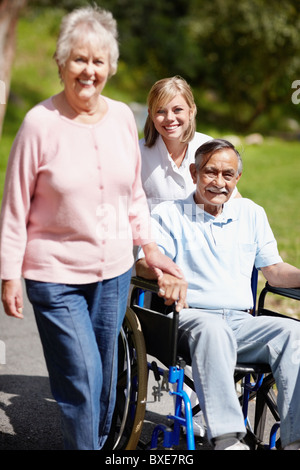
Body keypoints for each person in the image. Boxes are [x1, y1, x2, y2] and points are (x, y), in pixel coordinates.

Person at [0, 6, 185, 450]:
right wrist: (9, 273)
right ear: (62, 63)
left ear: (110, 67)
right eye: (79, 59)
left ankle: (98, 444)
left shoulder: (122, 117)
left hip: (115, 272)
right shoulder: (39, 124)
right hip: (55, 275)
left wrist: (150, 248)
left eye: (98, 61)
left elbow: (133, 195)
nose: (88, 70)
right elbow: (14, 207)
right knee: (81, 377)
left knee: (105, 379)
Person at [136, 138, 300, 450]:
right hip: (188, 319)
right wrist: (162, 273)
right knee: (212, 329)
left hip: (240, 323)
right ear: (194, 171)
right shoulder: (169, 214)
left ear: (237, 178)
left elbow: (275, 271)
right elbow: (145, 264)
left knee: (295, 333)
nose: (219, 182)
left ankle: (295, 440)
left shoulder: (251, 214)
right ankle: (227, 439)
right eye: (211, 172)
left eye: (228, 174)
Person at [139, 76, 240, 211]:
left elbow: (234, 198)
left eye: (177, 110)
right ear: (151, 114)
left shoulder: (209, 147)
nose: (170, 118)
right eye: (160, 111)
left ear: (191, 111)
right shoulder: (137, 153)